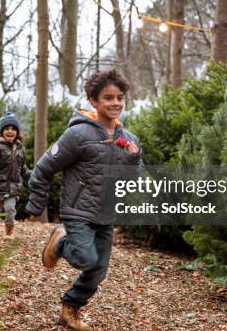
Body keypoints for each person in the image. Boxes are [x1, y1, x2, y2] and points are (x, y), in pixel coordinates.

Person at [26, 69, 142, 331]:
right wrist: (36, 205)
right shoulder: (78, 135)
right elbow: (43, 169)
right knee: (84, 259)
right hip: (78, 211)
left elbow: (135, 181)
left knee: (99, 270)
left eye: (119, 98)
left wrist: (134, 159)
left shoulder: (128, 139)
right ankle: (60, 241)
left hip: (106, 215)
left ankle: (70, 308)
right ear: (93, 100)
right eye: (108, 98)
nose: (115, 103)